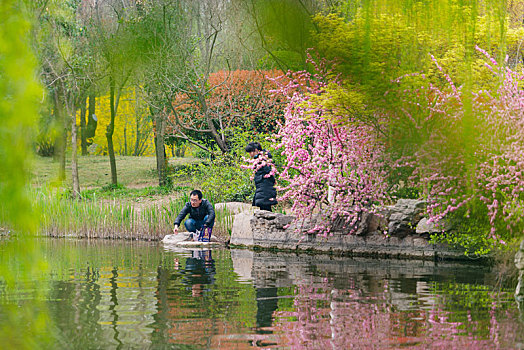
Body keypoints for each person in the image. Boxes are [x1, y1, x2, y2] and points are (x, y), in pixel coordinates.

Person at [245, 142, 277, 212]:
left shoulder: (263, 160)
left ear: (256, 150)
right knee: (265, 207)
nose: (250, 154)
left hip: (264, 187)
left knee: (265, 207)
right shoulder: (261, 159)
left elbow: (268, 172)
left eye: (251, 152)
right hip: (262, 187)